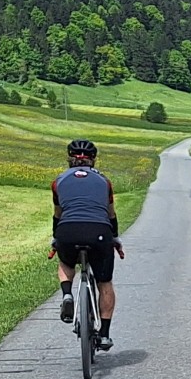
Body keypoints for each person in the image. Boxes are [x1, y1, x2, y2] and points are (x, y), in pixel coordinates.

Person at [50, 139, 125, 350]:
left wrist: (56, 238)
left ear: (69, 158)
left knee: (66, 263)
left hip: (68, 230)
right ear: (93, 160)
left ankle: (67, 294)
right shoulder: (104, 181)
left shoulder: (58, 181)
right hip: (99, 232)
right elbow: (111, 214)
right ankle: (104, 334)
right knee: (105, 282)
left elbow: (58, 214)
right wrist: (115, 238)